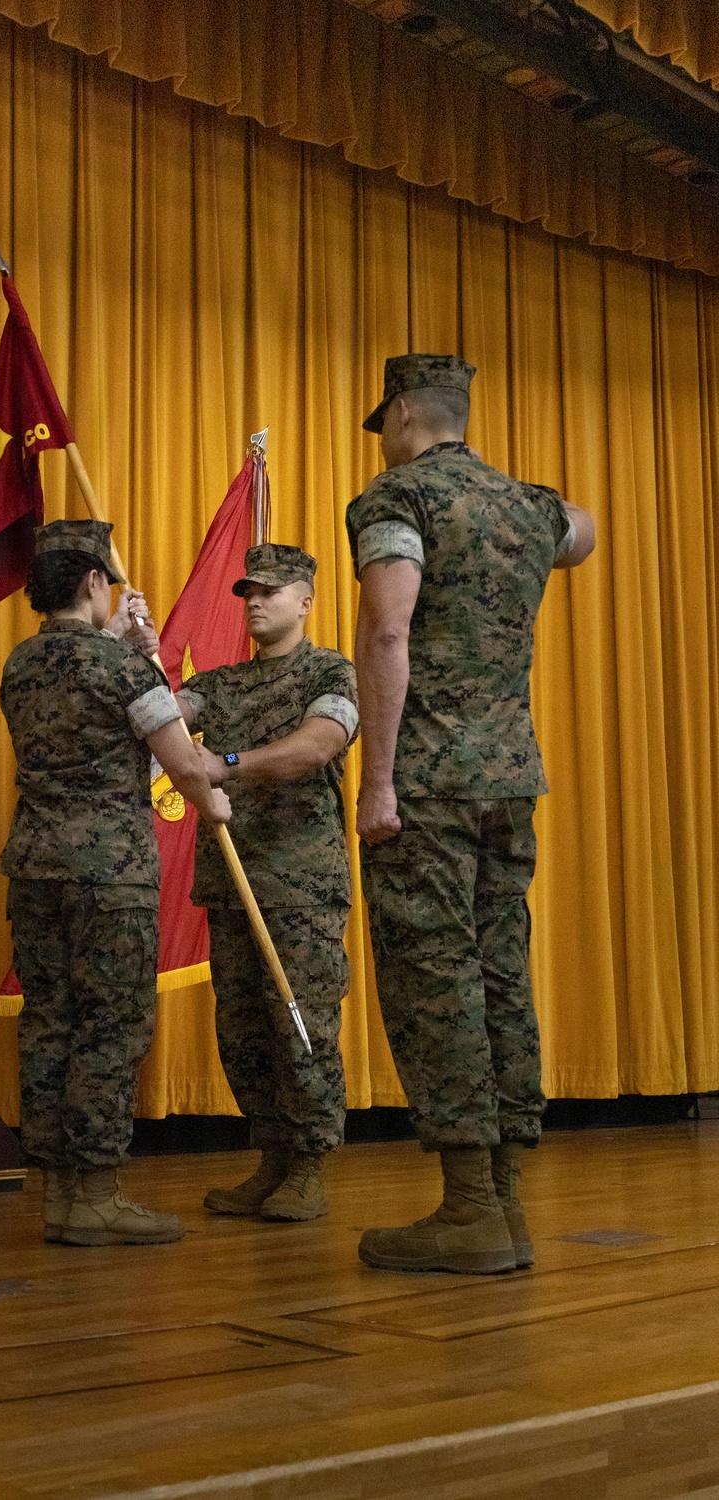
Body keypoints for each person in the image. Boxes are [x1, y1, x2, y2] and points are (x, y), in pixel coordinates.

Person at [347, 353, 595, 1274]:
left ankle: (469, 1209)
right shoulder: (527, 504)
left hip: (431, 782)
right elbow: (585, 531)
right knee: (500, 970)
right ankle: (507, 1204)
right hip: (510, 778)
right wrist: (543, 520)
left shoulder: (397, 500)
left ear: (405, 411)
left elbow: (385, 631)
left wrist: (379, 782)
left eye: (387, 421)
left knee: (434, 973)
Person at [0, 518, 231, 1248]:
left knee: (50, 1023)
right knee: (110, 1026)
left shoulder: (19, 663)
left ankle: (60, 1193)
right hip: (110, 877)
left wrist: (126, 650)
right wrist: (214, 800)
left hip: (35, 867)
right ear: (95, 581)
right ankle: (97, 1194)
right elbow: (183, 763)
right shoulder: (123, 672)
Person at [177, 544, 359, 1222]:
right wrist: (134, 647)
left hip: (300, 885)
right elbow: (164, 715)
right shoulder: (219, 684)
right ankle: (273, 1159)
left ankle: (309, 1165)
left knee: (300, 1023)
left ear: (306, 599)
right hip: (231, 883)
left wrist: (225, 761)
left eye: (272, 591)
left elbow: (317, 746)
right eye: (248, 590)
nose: (255, 601)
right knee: (244, 1029)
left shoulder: (329, 670)